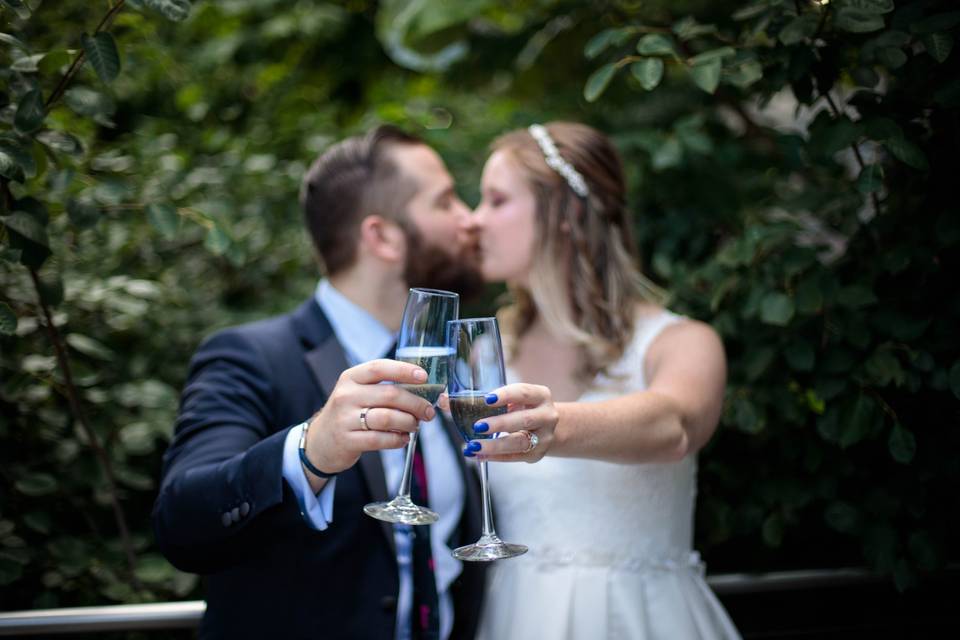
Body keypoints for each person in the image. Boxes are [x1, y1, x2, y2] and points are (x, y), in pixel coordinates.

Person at [152, 125, 490, 639]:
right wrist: (309, 451)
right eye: (446, 202)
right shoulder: (251, 357)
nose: (469, 218)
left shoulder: (448, 369)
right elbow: (182, 524)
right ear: (381, 237)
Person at [462, 122, 741, 639]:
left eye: (496, 200)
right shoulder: (486, 353)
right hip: (516, 618)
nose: (475, 221)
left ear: (565, 213)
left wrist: (553, 426)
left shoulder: (681, 342)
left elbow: (674, 426)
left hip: (646, 620)